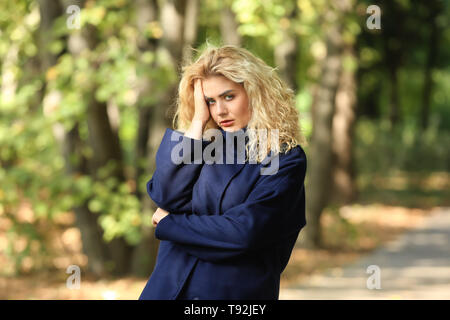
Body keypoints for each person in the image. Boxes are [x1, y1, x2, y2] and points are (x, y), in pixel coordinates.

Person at [139, 44, 307, 300]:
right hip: (166, 290)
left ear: (255, 93)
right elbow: (165, 195)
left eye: (229, 96)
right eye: (210, 101)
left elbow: (243, 234)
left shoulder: (283, 158)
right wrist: (196, 123)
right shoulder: (206, 145)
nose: (219, 111)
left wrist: (170, 223)